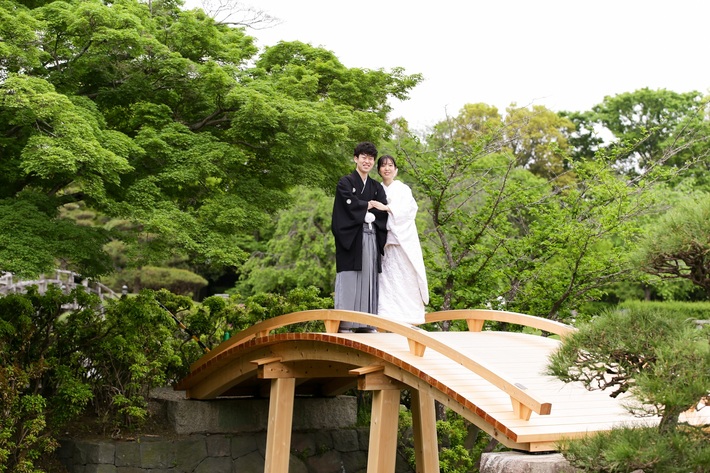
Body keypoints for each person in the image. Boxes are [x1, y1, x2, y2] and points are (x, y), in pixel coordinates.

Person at [331, 142, 389, 333]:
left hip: (371, 236)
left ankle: (367, 323)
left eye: (371, 158)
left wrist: (368, 210)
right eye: (363, 157)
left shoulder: (375, 186)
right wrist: (367, 206)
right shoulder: (345, 182)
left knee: (369, 276)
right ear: (355, 158)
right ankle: (346, 323)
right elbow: (347, 206)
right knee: (350, 277)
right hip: (351, 237)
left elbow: (382, 209)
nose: (367, 161)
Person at [369, 155, 429, 324]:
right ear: (379, 170)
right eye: (383, 166)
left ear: (396, 170)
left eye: (390, 165)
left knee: (406, 278)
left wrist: (387, 208)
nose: (387, 168)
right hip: (384, 243)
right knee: (386, 281)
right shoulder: (376, 189)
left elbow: (409, 211)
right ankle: (385, 317)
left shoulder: (403, 189)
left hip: (401, 241)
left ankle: (410, 316)